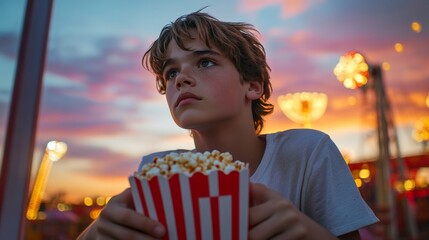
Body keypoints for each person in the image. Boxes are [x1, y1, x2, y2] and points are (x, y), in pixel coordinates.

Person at [78, 10, 378, 240]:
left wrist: (309, 232)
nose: (180, 78)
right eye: (170, 73)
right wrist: (95, 233)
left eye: (205, 62)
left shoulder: (306, 153)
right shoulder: (157, 169)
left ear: (252, 85)